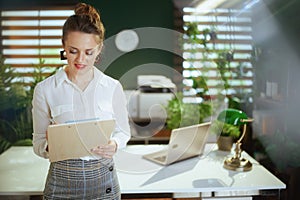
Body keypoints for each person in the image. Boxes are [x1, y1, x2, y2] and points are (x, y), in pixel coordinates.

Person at [32, 2, 131, 199]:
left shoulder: (112, 88)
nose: (81, 60)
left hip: (105, 183)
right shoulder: (45, 90)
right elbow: (38, 143)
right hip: (61, 182)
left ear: (99, 48)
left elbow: (123, 132)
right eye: (73, 50)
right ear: (63, 45)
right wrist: (55, 145)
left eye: (89, 52)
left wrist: (115, 144)